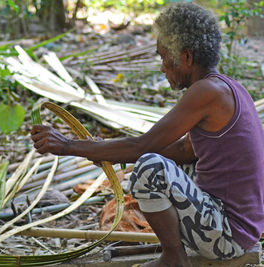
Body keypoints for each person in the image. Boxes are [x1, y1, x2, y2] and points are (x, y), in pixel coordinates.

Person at [31, 2, 264, 267]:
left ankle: (174, 258)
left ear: (186, 57)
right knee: (164, 162)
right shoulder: (226, 88)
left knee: (149, 168)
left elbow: (145, 145)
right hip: (238, 229)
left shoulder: (206, 92)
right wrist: (102, 149)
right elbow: (183, 152)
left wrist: (68, 146)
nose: (163, 67)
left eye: (165, 57)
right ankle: (176, 250)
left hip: (229, 236)